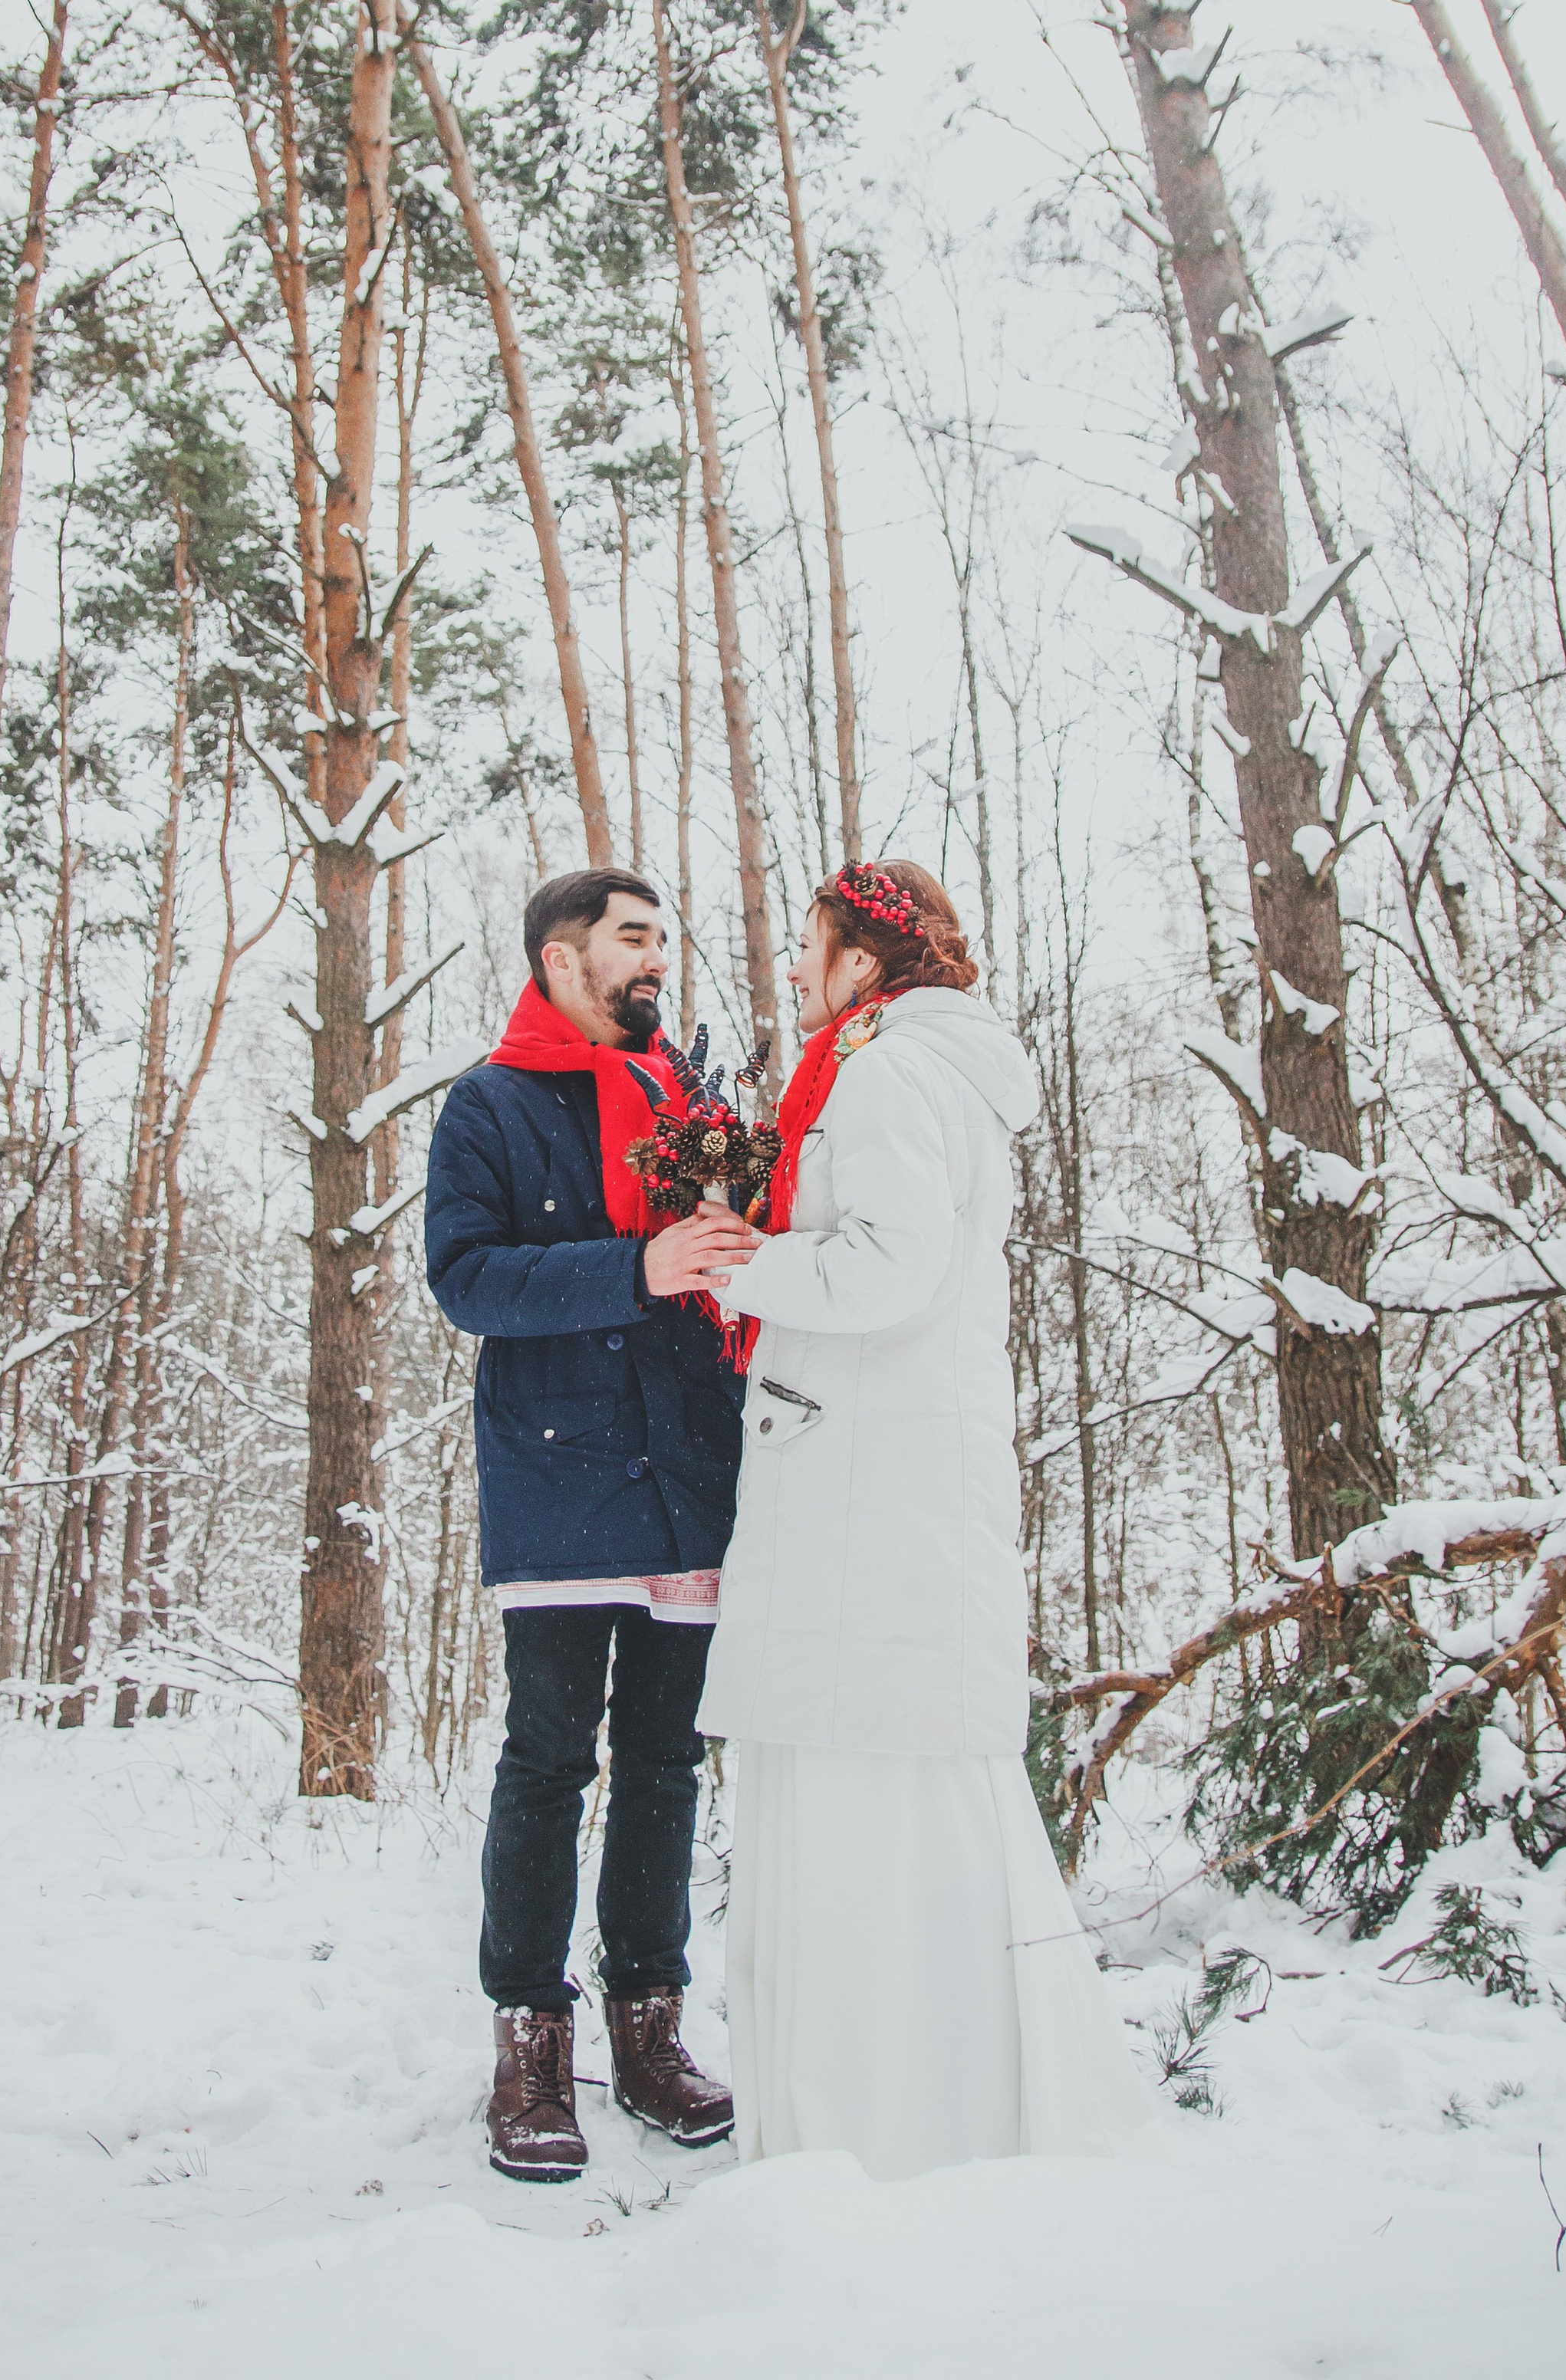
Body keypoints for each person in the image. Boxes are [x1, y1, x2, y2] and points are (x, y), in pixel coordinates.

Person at [696, 858, 1152, 2178]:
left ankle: (879, 2127)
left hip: (863, 1480)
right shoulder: (922, 1066)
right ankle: (930, 2108)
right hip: (882, 1470)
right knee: (883, 1759)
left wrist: (740, 1264)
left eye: (814, 945)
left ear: (864, 962)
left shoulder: (887, 1072)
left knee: (861, 1763)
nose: (796, 968)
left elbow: (892, 1266)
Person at [424, 869, 760, 2182]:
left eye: (663, 941)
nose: (656, 962)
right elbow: (466, 1279)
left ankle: (650, 2030)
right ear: (562, 957)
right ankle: (529, 2044)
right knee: (550, 1761)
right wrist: (638, 1264)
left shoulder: (693, 1100)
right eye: (633, 940)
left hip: (688, 1466)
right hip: (558, 1472)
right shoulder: (491, 1105)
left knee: (668, 1766)